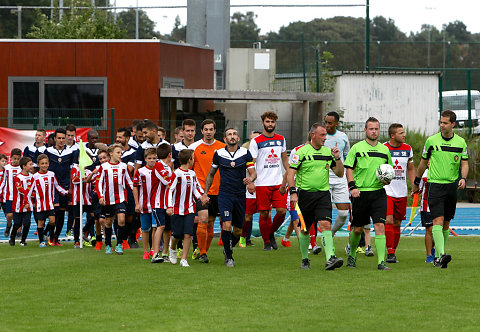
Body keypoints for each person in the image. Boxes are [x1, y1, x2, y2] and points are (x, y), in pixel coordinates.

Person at [411, 110, 468, 268]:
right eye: (441, 122)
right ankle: (441, 255)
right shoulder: (431, 141)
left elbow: (464, 163)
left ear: (453, 124)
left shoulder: (461, 143)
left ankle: (439, 255)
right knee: (437, 220)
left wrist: (463, 178)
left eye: (445, 123)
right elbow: (423, 163)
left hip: (451, 186)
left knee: (446, 223)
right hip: (434, 185)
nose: (442, 125)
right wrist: (417, 181)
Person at [288, 124, 344, 270]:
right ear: (313, 135)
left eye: (326, 135)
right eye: (322, 135)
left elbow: (339, 173)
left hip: (323, 195)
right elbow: (290, 173)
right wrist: (293, 192)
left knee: (325, 225)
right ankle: (305, 259)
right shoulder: (301, 152)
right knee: (305, 229)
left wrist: (337, 158)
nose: (325, 138)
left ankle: (330, 258)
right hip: (305, 195)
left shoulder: (328, 152)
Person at [344, 117, 393, 270]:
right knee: (357, 229)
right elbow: (349, 169)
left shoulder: (384, 150)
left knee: (380, 225)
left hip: (378, 193)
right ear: (365, 130)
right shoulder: (357, 148)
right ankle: (352, 255)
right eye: (371, 129)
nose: (374, 131)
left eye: (376, 129)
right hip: (360, 194)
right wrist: (352, 187)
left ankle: (381, 262)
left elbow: (388, 171)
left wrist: (387, 180)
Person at [203, 128, 256, 267]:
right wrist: (205, 193)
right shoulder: (219, 154)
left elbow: (253, 172)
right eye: (229, 135)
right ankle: (229, 257)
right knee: (226, 224)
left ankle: (228, 247)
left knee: (238, 230)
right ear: (225, 139)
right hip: (225, 195)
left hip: (240, 195)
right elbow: (211, 174)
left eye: (234, 134)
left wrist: (250, 179)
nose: (232, 137)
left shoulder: (245, 153)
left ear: (238, 138)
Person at [249, 111, 289, 251]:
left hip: (278, 182)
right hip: (262, 183)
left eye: (272, 122)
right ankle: (266, 241)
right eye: (267, 122)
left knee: (282, 211)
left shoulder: (281, 139)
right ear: (263, 123)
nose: (270, 124)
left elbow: (284, 159)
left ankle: (270, 232)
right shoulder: (256, 141)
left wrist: (289, 174)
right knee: (264, 213)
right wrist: (252, 181)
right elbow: (251, 163)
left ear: (275, 123)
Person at [190, 119, 226, 263]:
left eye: (211, 129)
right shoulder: (195, 147)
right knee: (203, 220)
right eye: (206, 129)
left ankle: (204, 250)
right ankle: (202, 252)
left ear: (215, 131)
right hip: (201, 191)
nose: (209, 132)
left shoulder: (222, 147)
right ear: (202, 131)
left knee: (211, 224)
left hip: (219, 191)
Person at [166, 149, 205, 267]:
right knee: (177, 234)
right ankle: (172, 249)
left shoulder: (192, 174)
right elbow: (170, 190)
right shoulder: (176, 173)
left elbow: (195, 190)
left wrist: (201, 198)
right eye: (193, 157)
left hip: (190, 208)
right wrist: (169, 206)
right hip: (177, 209)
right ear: (189, 160)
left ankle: (184, 259)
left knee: (188, 234)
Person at [382, 123, 415, 263]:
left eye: (404, 132)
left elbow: (411, 169)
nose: (404, 135)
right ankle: (390, 252)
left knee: (397, 223)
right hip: (386, 189)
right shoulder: (383, 148)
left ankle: (393, 252)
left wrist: (415, 185)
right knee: (388, 220)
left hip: (401, 191)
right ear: (392, 135)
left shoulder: (408, 149)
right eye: (401, 133)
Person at [95, 144, 134, 255]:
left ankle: (119, 244)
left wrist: (136, 192)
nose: (120, 155)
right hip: (108, 199)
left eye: (121, 152)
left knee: (121, 220)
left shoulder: (123, 166)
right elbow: (99, 183)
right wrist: (101, 196)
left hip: (121, 198)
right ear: (111, 154)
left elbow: (129, 181)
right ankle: (108, 244)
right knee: (108, 222)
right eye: (118, 152)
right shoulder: (104, 167)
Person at [42, 128, 76, 244]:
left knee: (61, 213)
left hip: (65, 186)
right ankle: (48, 234)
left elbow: (73, 170)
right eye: (59, 138)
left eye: (63, 138)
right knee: (52, 213)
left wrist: (70, 187)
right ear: (54, 139)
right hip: (51, 187)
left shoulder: (71, 152)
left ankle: (55, 238)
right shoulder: (48, 151)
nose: (61, 140)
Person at [29, 154, 68, 247]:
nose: (44, 165)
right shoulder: (35, 176)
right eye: (42, 163)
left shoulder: (51, 174)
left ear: (49, 164)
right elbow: (30, 190)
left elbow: (56, 186)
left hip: (50, 204)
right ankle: (41, 241)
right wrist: (29, 201)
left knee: (52, 221)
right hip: (40, 204)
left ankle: (45, 233)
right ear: (38, 164)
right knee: (41, 222)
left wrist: (65, 192)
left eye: (46, 163)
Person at [324, 112, 351, 239]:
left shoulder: (343, 137)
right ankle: (318, 240)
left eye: (330, 123)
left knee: (344, 213)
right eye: (326, 122)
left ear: (336, 123)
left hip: (341, 177)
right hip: (324, 178)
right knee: (324, 212)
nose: (327, 125)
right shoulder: (321, 136)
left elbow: (348, 156)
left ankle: (331, 233)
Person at [133, 148, 163, 261]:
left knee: (156, 227)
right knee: (145, 229)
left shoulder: (160, 170)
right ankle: (145, 251)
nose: (152, 160)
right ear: (145, 159)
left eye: (154, 158)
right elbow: (135, 187)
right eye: (149, 158)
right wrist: (137, 203)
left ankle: (154, 250)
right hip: (144, 205)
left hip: (157, 204)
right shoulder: (140, 172)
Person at [152, 144, 174, 263]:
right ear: (169, 154)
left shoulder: (168, 167)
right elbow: (166, 181)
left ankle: (165, 253)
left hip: (166, 203)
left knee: (167, 228)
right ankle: (155, 253)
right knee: (160, 226)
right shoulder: (158, 166)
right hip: (157, 202)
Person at [240, 130, 261, 247]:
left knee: (264, 213)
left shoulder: (263, 152)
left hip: (263, 185)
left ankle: (268, 240)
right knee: (247, 215)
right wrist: (249, 182)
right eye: (252, 139)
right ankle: (243, 237)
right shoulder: (245, 154)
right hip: (250, 186)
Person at [9, 157, 34, 246]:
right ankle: (12, 237)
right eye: (30, 164)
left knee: (27, 223)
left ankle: (23, 241)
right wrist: (25, 202)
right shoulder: (18, 177)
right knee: (17, 223)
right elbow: (21, 191)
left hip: (28, 205)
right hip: (18, 204)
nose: (32, 166)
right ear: (24, 166)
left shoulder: (32, 177)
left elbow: (32, 190)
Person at [0, 148, 22, 237]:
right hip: (9, 196)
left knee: (19, 215)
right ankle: (9, 225)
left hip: (20, 197)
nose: (16, 161)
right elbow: (3, 181)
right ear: (11, 158)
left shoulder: (22, 168)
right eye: (14, 158)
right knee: (9, 215)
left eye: (18, 159)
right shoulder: (7, 168)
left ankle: (18, 232)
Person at [419, 167, 435, 263]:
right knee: (429, 229)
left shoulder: (441, 171)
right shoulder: (424, 173)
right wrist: (414, 191)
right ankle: (429, 255)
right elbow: (419, 188)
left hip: (439, 205)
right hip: (426, 206)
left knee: (437, 230)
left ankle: (434, 250)